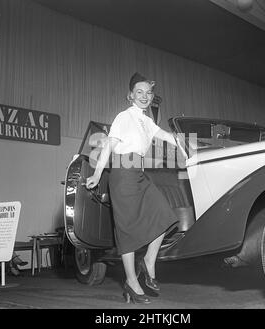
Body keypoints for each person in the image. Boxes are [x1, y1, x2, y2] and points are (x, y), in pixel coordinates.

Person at [86, 72, 184, 304]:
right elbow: (109, 146)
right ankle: (131, 281)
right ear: (130, 96)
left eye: (148, 93)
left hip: (138, 173)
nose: (144, 96)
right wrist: (97, 173)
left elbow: (168, 137)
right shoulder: (123, 117)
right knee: (127, 229)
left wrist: (190, 143)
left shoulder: (146, 121)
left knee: (164, 214)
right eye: (139, 92)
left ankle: (149, 261)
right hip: (121, 174)